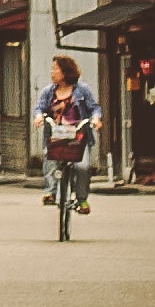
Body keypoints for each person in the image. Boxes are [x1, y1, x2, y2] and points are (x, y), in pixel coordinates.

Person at [35, 54, 99, 228]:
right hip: (56, 135)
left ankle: (81, 200)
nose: (52, 72)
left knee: (82, 167)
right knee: (50, 159)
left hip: (78, 137)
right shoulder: (48, 91)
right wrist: (39, 117)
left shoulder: (82, 90)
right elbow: (39, 108)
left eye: (55, 68)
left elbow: (94, 108)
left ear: (65, 71)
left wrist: (95, 119)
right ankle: (50, 192)